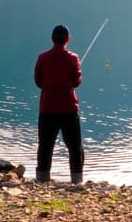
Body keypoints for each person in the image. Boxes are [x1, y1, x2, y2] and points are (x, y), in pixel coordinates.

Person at [34, 25, 84, 184]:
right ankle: (77, 181)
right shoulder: (73, 58)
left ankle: (42, 179)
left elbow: (38, 81)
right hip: (68, 108)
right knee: (75, 147)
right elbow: (76, 82)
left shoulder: (42, 57)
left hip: (47, 107)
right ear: (67, 39)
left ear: (52, 39)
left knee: (45, 145)